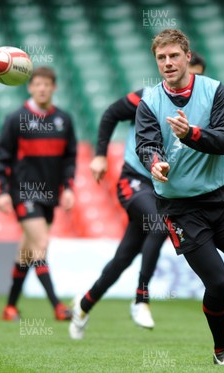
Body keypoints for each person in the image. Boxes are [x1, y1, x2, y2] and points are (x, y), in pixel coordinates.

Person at [135, 29, 224, 365]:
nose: (167, 63)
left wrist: (191, 133)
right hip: (180, 209)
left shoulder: (215, 91)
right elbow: (146, 144)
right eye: (161, 58)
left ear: (187, 56)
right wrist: (155, 163)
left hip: (221, 201)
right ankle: (222, 348)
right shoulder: (150, 101)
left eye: (173, 56)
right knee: (217, 281)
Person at [69, 53, 206, 340]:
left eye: (196, 76)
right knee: (158, 224)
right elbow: (110, 114)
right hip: (134, 180)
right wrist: (99, 156)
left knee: (122, 259)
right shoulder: (147, 98)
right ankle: (141, 299)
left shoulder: (199, 110)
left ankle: (81, 308)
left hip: (162, 189)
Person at [0, 66, 77, 322]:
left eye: (47, 84)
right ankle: (58, 306)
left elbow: (69, 158)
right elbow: (0, 158)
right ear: (30, 87)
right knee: (40, 245)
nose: (42, 88)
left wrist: (69, 187)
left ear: (54, 88)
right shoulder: (15, 118)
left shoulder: (64, 120)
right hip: (24, 193)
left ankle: (10, 308)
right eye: (37, 84)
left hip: (50, 196)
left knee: (26, 254)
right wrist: (2, 192)